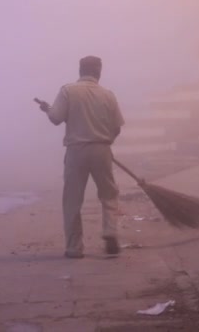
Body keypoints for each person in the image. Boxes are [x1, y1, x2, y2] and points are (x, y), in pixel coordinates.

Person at [36, 56, 125, 259]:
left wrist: (47, 109)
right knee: (109, 194)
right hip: (102, 150)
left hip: (76, 151)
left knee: (72, 200)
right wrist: (105, 141)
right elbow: (117, 128)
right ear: (99, 71)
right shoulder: (108, 95)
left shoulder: (68, 91)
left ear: (80, 70)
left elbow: (56, 118)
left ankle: (74, 248)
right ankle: (110, 231)